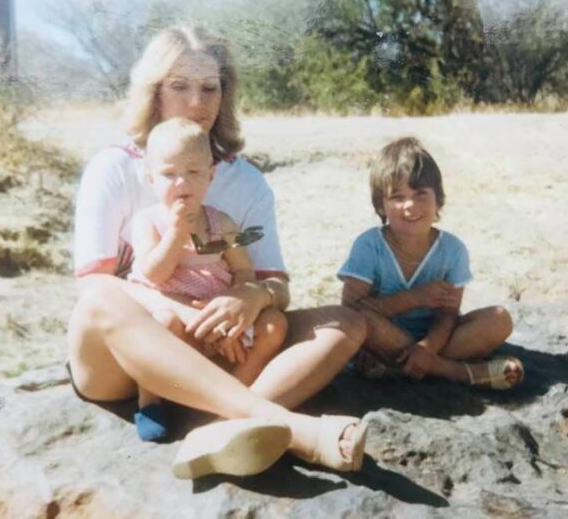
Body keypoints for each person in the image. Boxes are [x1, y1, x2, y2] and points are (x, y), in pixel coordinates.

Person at [67, 25, 369, 478]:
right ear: (153, 93)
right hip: (126, 362)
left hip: (222, 348)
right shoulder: (114, 167)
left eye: (210, 88)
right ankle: (287, 427)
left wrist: (252, 297)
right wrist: (182, 310)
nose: (197, 103)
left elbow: (276, 285)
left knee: (344, 325)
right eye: (180, 86)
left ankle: (214, 430)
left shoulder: (245, 181)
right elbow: (93, 282)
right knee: (101, 299)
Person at [128, 117, 288, 441]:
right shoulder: (149, 222)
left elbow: (244, 271)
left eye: (194, 172)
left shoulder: (223, 224)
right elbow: (153, 274)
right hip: (176, 321)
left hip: (219, 317)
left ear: (211, 176)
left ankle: (231, 399)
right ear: (150, 177)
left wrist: (234, 310)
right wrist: (176, 234)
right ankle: (150, 400)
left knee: (274, 326)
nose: (182, 183)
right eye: (169, 174)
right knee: (159, 325)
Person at [338, 137, 524, 388]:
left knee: (499, 319)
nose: (410, 205)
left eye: (420, 194)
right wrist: (415, 298)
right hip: (384, 337)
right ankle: (458, 372)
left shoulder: (452, 250)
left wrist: (427, 347)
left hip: (439, 341)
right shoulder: (369, 245)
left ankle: (402, 368)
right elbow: (351, 310)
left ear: (438, 198)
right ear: (380, 204)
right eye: (397, 196)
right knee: (360, 322)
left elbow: (448, 313)